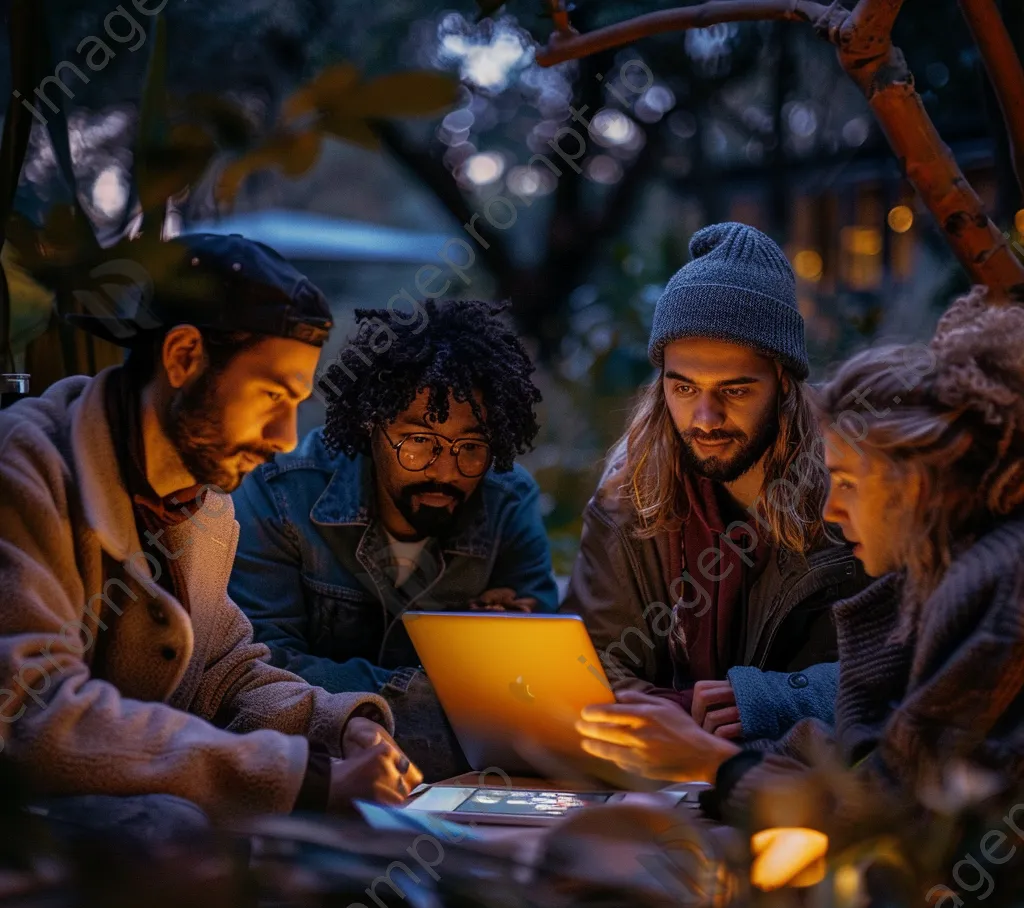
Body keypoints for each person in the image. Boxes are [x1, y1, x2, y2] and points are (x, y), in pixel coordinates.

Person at [0, 233, 420, 844]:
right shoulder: (25, 469)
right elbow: (32, 710)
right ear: (183, 357)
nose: (284, 435)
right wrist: (301, 781)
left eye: (296, 402)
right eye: (273, 395)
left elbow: (218, 672)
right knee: (169, 833)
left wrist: (337, 726)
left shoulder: (200, 501)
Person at [577, 289, 1024, 839]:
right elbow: (859, 743)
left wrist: (713, 763)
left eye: (850, 484)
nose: (834, 509)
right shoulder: (940, 577)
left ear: (920, 484)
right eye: (683, 386)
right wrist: (709, 756)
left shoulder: (995, 592)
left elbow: (892, 813)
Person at [229, 298, 558, 778]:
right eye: (419, 441)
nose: (445, 471)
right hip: (322, 779)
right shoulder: (280, 495)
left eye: (470, 447)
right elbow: (261, 675)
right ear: (372, 425)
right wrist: (454, 684)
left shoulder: (508, 502)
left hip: (459, 792)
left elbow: (541, 692)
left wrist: (512, 644)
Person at [563, 222, 863, 745]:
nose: (705, 417)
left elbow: (898, 665)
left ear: (784, 384)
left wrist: (769, 699)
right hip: (654, 779)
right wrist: (672, 720)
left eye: (736, 389)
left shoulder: (850, 497)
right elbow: (587, 662)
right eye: (683, 387)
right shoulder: (626, 498)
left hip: (805, 787)